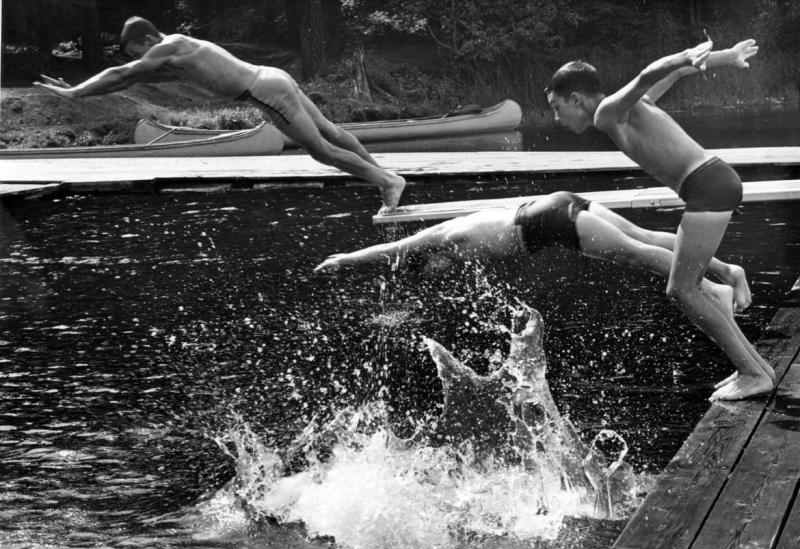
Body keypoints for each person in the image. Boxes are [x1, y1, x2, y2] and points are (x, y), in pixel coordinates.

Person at [545, 38, 773, 402]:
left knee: (681, 290)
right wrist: (727, 57)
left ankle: (752, 373)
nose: (557, 118)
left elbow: (647, 74)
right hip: (711, 181)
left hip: (707, 186)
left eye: (557, 108)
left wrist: (685, 55)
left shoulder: (606, 113)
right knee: (679, 276)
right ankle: (757, 367)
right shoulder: (635, 105)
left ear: (575, 99)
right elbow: (676, 73)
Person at [34, 16, 406, 214]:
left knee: (321, 150)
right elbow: (125, 80)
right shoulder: (173, 49)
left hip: (264, 92)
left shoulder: (169, 45)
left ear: (148, 40)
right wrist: (81, 88)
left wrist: (74, 91)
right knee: (330, 131)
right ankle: (386, 178)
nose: (137, 60)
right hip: (270, 79)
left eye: (136, 52)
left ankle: (387, 181)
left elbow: (122, 73)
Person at [316, 190, 751, 326]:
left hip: (544, 224)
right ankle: (727, 270)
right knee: (642, 236)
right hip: (553, 204)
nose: (442, 273)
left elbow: (392, 248)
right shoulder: (454, 233)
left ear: (428, 260)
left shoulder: (440, 239)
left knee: (637, 254)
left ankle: (713, 288)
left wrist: (348, 259)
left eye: (433, 272)